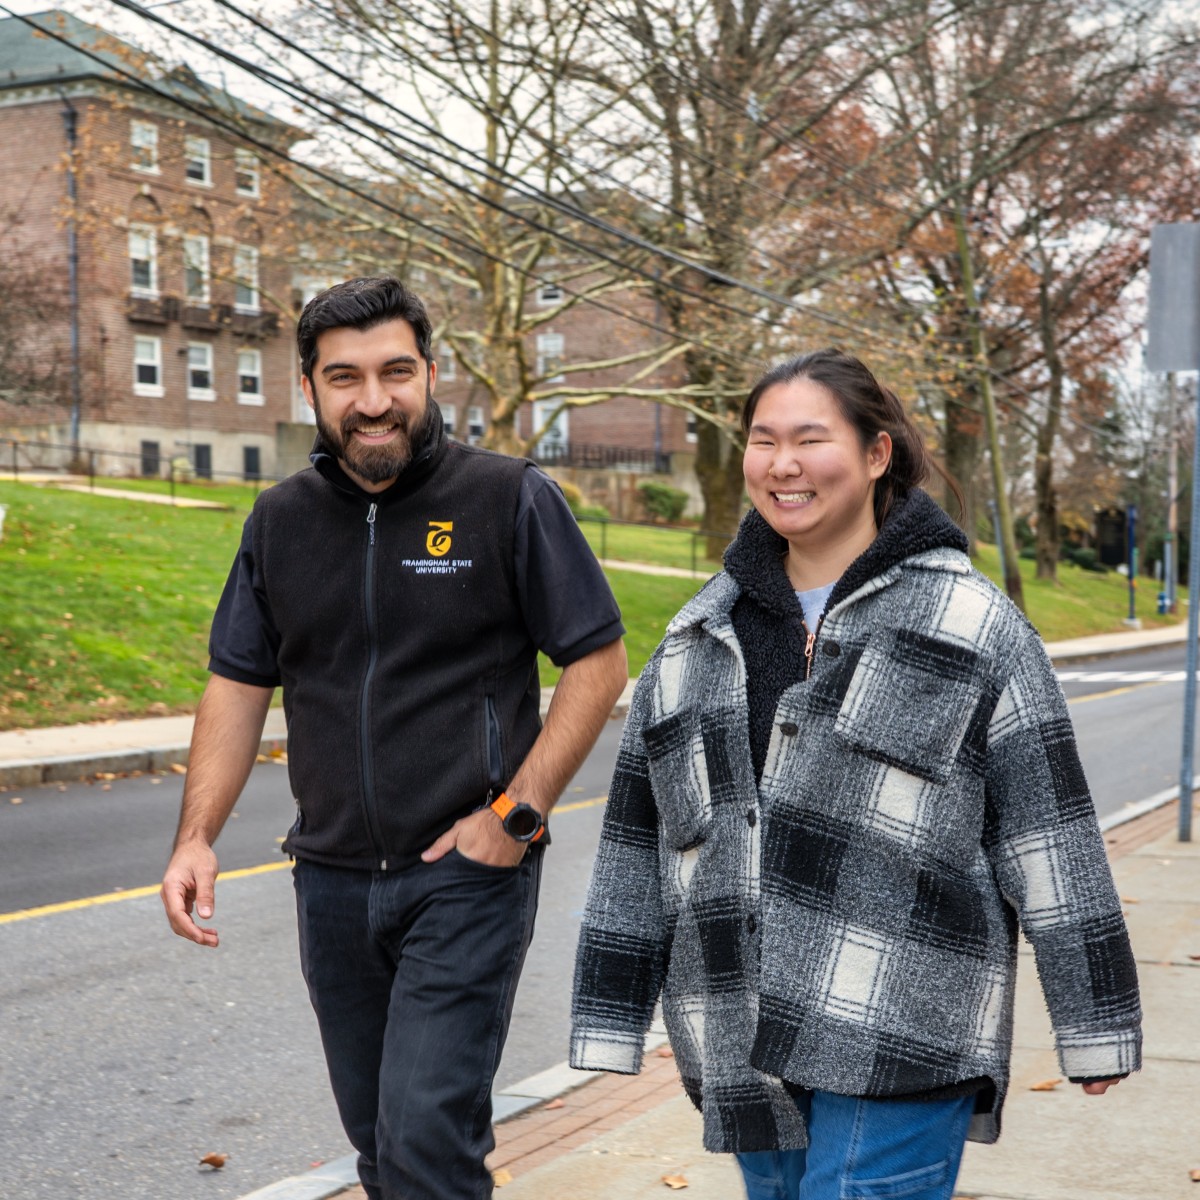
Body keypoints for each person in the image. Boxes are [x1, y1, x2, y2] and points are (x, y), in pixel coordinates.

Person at [569, 349, 1140, 1200]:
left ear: (877, 455)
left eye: (810, 438)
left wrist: (1095, 1022)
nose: (783, 464)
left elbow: (1046, 829)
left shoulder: (970, 622)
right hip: (742, 1037)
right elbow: (636, 845)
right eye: (763, 441)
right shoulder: (695, 642)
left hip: (907, 1026)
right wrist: (609, 1017)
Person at [161, 276, 628, 1200]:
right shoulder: (279, 520)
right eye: (345, 378)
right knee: (386, 1149)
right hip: (330, 882)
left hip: (462, 875)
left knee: (424, 1145)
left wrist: (513, 818)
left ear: (430, 371)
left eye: (394, 371)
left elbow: (599, 662)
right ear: (309, 389)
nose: (373, 400)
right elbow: (238, 682)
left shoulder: (507, 497)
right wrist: (195, 836)